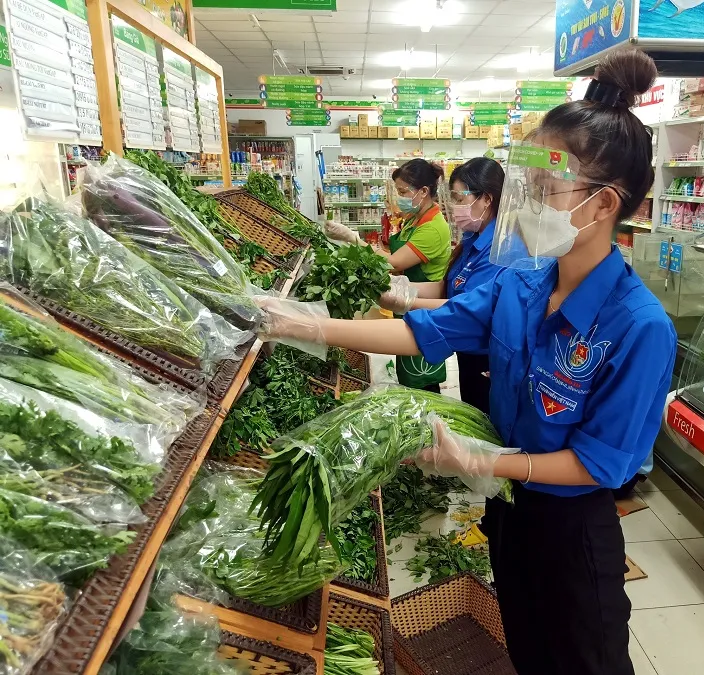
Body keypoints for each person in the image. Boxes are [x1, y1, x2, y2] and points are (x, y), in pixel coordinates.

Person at [259, 50, 676, 675]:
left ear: (602, 205)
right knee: (526, 648)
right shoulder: (521, 284)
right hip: (507, 511)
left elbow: (600, 463)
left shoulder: (639, 326)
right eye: (525, 189)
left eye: (544, 191)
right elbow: (424, 332)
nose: (527, 206)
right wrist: (301, 324)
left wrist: (483, 460)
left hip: (572, 535)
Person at [379, 156, 507, 413]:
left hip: (486, 357)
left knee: (483, 416)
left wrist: (407, 301)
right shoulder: (473, 238)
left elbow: (465, 308)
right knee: (470, 406)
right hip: (465, 348)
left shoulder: (498, 251)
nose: (456, 207)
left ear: (486, 199)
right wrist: (398, 286)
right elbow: (447, 286)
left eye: (460, 199)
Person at [327, 158, 451, 392]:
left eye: (403, 192)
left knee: (422, 378)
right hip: (407, 300)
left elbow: (392, 262)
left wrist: (353, 239)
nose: (400, 197)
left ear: (424, 191)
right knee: (408, 371)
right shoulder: (415, 219)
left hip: (424, 307)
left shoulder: (433, 228)